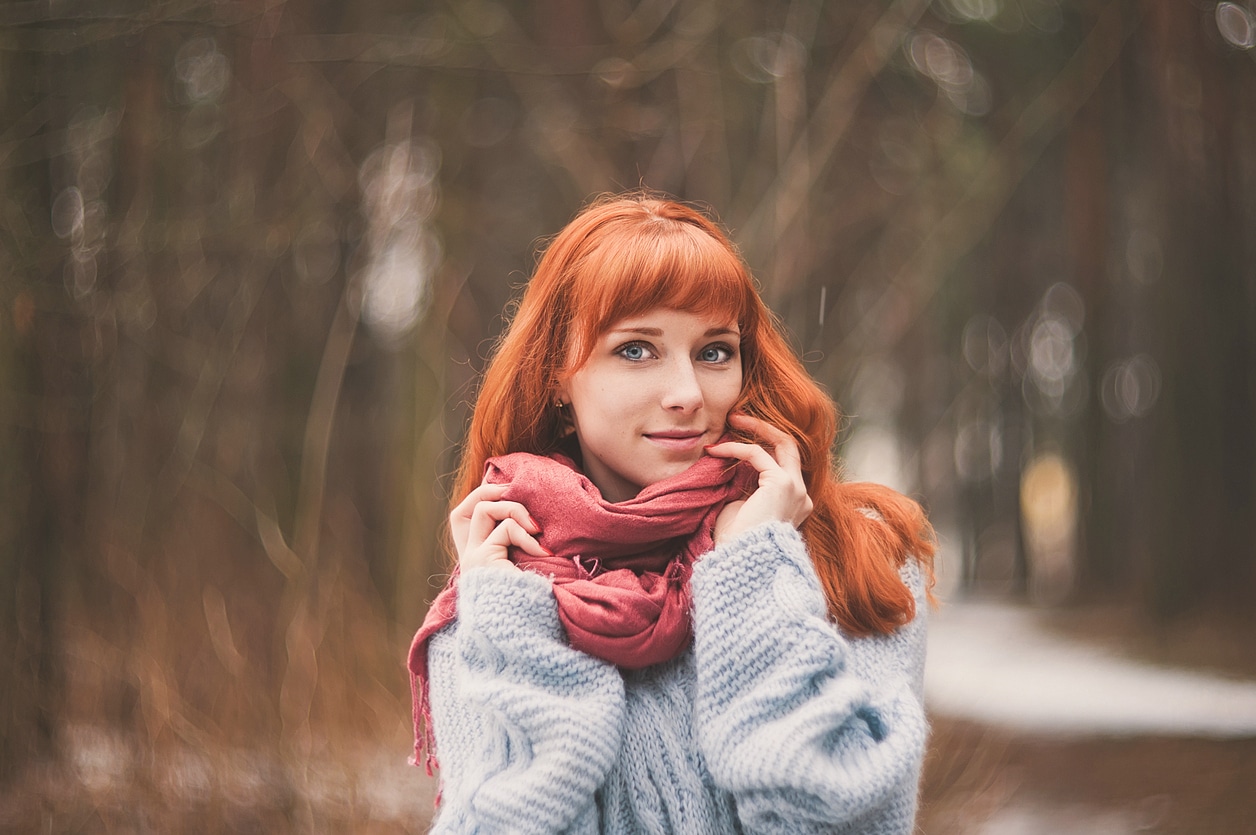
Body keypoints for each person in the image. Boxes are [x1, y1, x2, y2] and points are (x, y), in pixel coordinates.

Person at [408, 192, 936, 834]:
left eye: (714, 351)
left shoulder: (856, 560)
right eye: (636, 350)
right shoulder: (500, 599)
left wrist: (755, 576)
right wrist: (513, 628)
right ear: (556, 378)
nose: (687, 394)